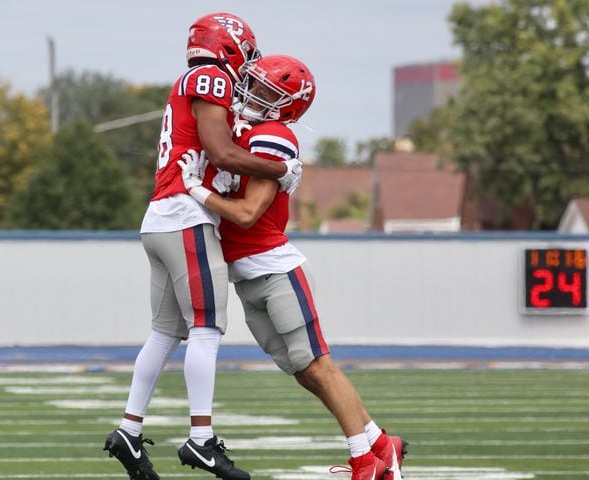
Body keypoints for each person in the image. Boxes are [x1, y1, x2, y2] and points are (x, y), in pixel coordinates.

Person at [177, 54, 408, 480]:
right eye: (253, 84)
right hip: (248, 275)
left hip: (275, 268)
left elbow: (246, 214)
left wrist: (195, 190)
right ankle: (380, 444)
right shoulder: (241, 133)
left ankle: (366, 463)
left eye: (266, 91)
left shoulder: (274, 134)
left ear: (288, 105)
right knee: (303, 370)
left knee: (318, 363)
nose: (251, 94)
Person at [102, 12, 303, 480]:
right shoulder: (210, 76)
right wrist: (281, 170)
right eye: (247, 54)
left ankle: (129, 432)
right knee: (207, 328)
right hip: (185, 216)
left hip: (162, 217)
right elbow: (222, 153)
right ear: (230, 47)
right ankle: (201, 440)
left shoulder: (195, 79)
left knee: (165, 332)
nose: (249, 67)